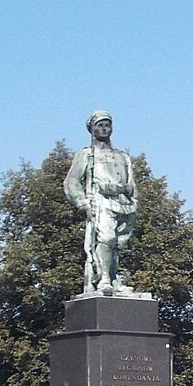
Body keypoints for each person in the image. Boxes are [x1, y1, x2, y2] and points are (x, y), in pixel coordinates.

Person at [64, 110, 139, 295]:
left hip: (124, 203)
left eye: (107, 125)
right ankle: (103, 278)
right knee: (106, 238)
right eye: (100, 125)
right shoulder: (87, 154)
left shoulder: (123, 156)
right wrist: (82, 202)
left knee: (117, 244)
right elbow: (72, 181)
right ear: (92, 129)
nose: (104, 128)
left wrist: (134, 201)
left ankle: (113, 279)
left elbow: (132, 183)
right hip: (100, 200)